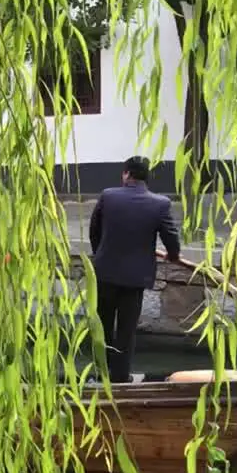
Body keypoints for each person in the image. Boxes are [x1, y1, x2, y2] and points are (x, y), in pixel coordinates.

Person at [88, 155, 180, 384]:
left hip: (105, 272)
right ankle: (120, 377)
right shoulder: (160, 203)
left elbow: (94, 231)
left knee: (103, 325)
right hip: (135, 277)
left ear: (126, 174)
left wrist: (101, 253)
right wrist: (173, 256)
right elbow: (171, 237)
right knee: (126, 331)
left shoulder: (108, 196)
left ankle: (102, 373)